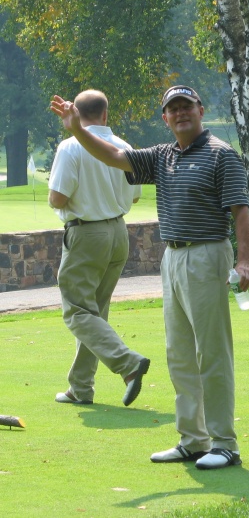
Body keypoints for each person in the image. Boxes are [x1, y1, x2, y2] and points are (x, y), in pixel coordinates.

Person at [50, 85, 249, 469]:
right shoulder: (162, 156)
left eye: (186, 107)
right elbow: (113, 155)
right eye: (172, 109)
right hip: (173, 257)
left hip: (208, 253)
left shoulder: (221, 155)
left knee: (210, 353)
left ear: (200, 109)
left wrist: (244, 261)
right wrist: (77, 129)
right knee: (178, 354)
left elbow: (240, 210)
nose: (180, 114)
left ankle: (225, 444)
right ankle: (193, 440)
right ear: (165, 117)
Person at [48, 89, 150, 407]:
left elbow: (57, 199)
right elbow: (134, 197)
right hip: (119, 233)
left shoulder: (70, 146)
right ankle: (81, 387)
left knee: (77, 311)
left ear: (76, 114)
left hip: (86, 235)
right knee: (95, 312)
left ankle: (127, 363)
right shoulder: (123, 147)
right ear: (106, 114)